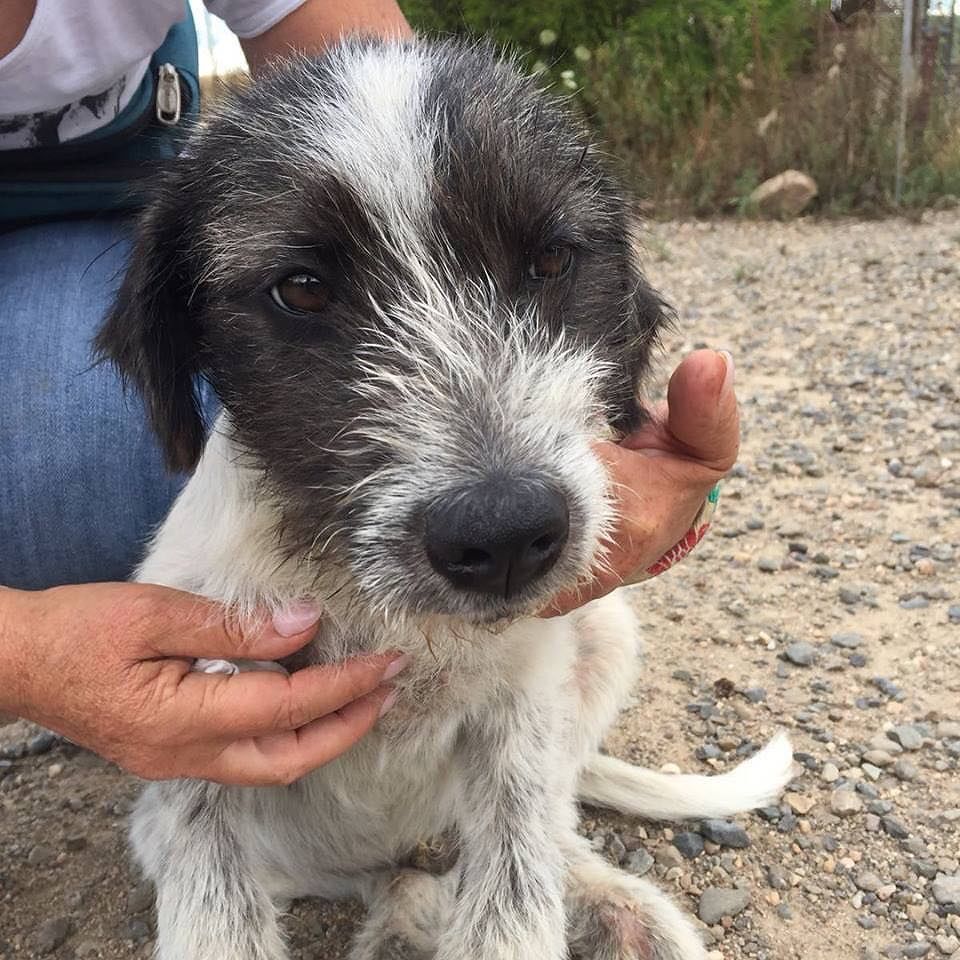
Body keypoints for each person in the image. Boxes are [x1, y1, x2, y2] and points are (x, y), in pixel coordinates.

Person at [0, 0, 740, 786]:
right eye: (306, 291)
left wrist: (657, 469)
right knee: (101, 462)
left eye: (551, 262)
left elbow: (405, 139)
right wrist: (25, 658)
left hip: (89, 202)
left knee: (129, 444)